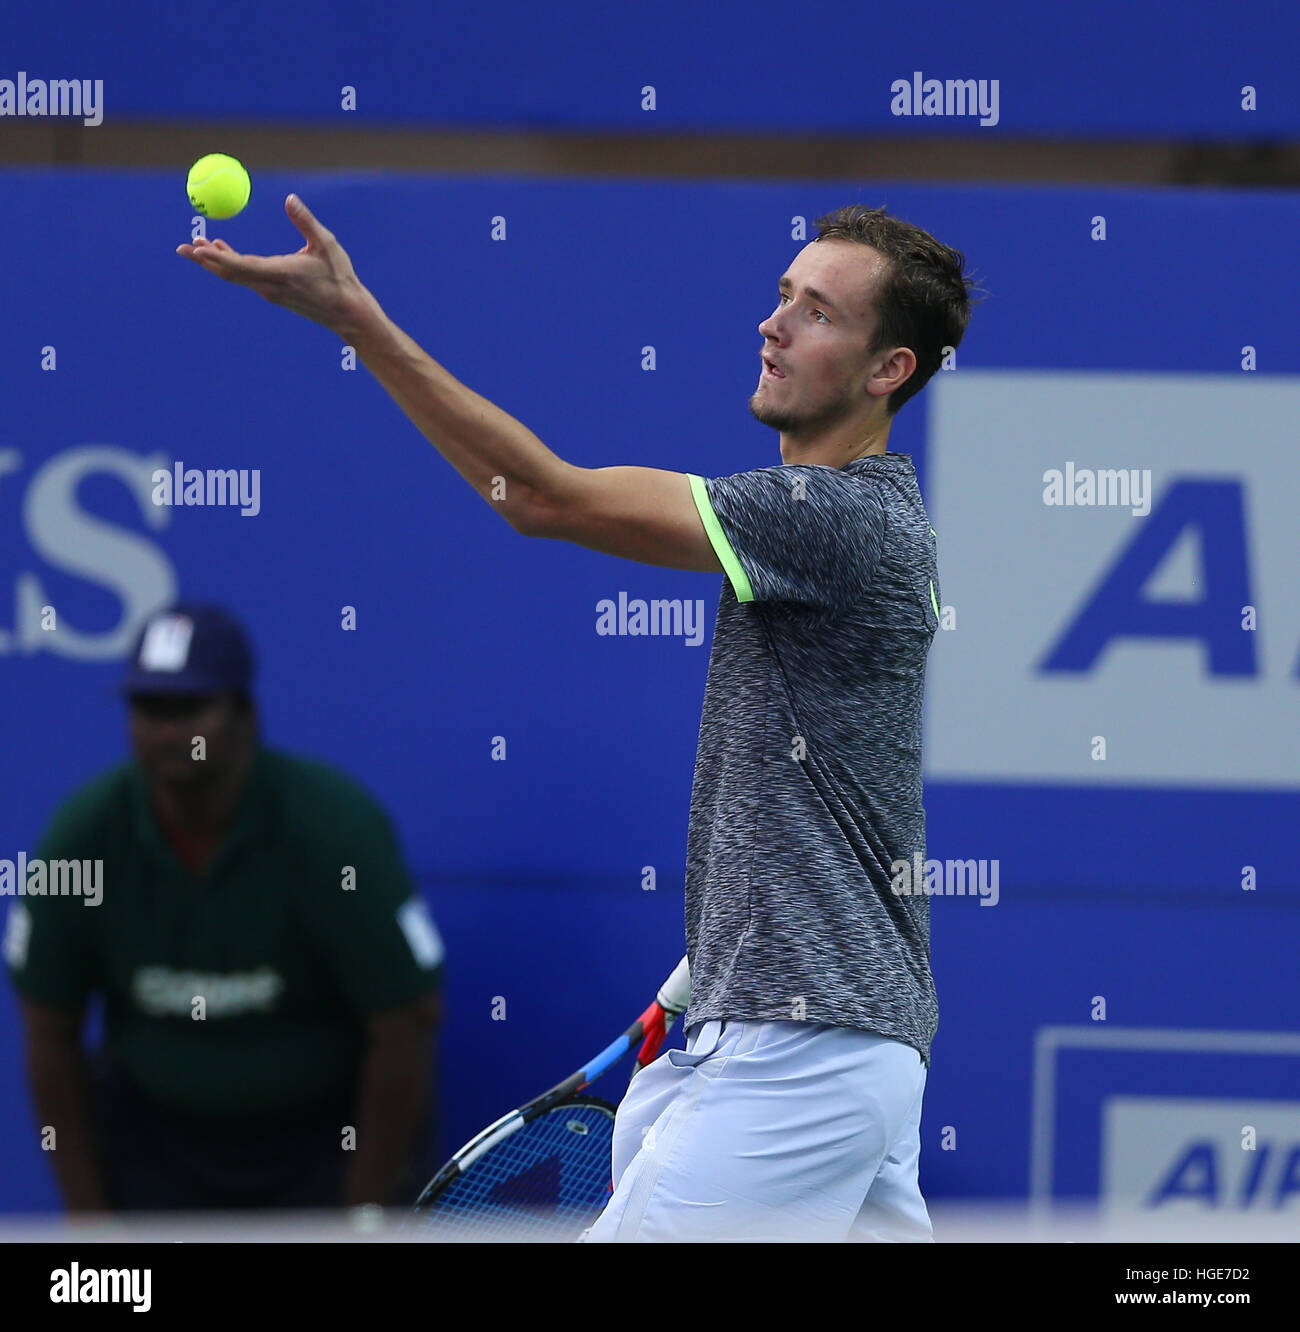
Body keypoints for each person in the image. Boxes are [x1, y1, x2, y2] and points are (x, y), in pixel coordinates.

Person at [174, 197, 978, 1240]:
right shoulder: (842, 524)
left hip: (802, 1052)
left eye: (817, 312)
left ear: (889, 371)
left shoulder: (836, 521)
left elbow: (542, 498)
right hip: (824, 1038)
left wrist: (357, 323)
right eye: (781, 296)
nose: (773, 324)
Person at [4, 602, 444, 1213]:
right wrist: (91, 1223)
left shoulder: (334, 831)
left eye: (188, 709)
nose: (164, 732)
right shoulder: (81, 838)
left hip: (323, 1144)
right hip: (154, 1146)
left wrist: (363, 1216)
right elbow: (50, 1034)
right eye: (148, 710)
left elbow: (407, 1022)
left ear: (244, 714)